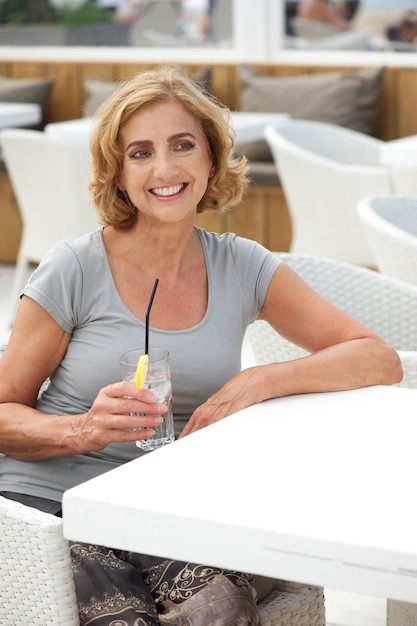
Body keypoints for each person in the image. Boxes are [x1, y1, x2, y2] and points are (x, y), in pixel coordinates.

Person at [0, 66, 402, 625]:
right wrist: (84, 429)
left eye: (182, 145)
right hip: (48, 507)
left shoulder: (243, 265)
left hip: (166, 509)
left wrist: (261, 378)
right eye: (140, 152)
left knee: (225, 609)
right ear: (118, 173)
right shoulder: (74, 267)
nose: (164, 169)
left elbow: (376, 359)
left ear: (211, 159)